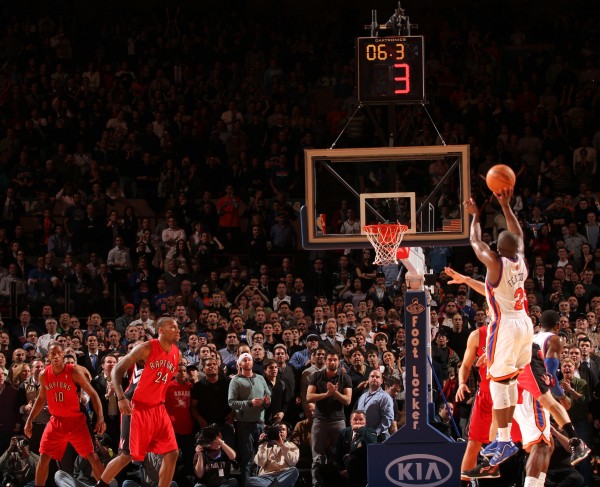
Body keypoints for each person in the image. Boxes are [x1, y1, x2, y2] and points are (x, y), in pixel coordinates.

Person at [464, 188, 533, 467]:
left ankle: (504, 440)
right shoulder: (521, 259)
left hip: (505, 325)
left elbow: (474, 241)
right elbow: (518, 233)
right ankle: (504, 440)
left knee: (497, 382)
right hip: (525, 323)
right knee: (512, 379)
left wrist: (476, 215)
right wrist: (505, 206)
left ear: (498, 248)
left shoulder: (494, 262)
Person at [95, 317, 181, 487]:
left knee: (172, 453)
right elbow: (117, 370)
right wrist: (120, 397)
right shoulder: (147, 348)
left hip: (158, 407)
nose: (178, 330)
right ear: (161, 330)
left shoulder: (176, 353)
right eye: (173, 327)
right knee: (126, 456)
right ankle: (100, 485)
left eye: (178, 327)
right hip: (136, 405)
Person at [23, 341, 106, 486]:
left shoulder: (73, 372)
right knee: (43, 457)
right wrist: (29, 420)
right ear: (48, 355)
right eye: (52, 353)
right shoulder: (44, 375)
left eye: (58, 353)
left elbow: (94, 395)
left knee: (92, 456)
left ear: (62, 354)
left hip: (76, 422)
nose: (55, 356)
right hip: (56, 422)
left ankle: (105, 484)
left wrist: (100, 418)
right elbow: (41, 399)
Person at [306, 351, 352, 487]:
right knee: (318, 457)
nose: (333, 362)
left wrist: (335, 392)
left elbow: (348, 401)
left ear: (339, 362)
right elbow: (309, 397)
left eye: (335, 360)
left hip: (338, 420)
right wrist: (326, 394)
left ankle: (340, 484)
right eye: (330, 360)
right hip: (320, 420)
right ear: (325, 361)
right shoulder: (316, 376)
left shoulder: (345, 378)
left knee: (341, 454)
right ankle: (317, 484)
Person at [228, 352, 271, 486]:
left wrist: (267, 401)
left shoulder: (260, 378)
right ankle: (248, 484)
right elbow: (232, 402)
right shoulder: (236, 380)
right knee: (247, 459)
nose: (247, 362)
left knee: (261, 458)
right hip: (244, 424)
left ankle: (260, 483)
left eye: (249, 360)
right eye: (244, 360)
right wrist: (249, 403)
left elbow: (268, 395)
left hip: (259, 423)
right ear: (239, 364)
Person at [317, 410, 377, 487]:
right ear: (350, 422)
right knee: (324, 469)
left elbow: (372, 443)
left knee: (353, 460)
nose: (358, 422)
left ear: (365, 422)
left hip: (360, 469)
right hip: (344, 468)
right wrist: (341, 469)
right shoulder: (344, 432)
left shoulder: (370, 432)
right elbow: (337, 452)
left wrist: (361, 429)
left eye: (361, 419)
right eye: (355, 419)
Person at [246, 422, 299, 487]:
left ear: (287, 432)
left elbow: (292, 462)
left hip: (283, 476)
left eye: (283, 429)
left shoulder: (292, 446)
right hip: (266, 478)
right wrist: (262, 445)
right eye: (278, 430)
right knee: (249, 481)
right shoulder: (266, 445)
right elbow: (260, 463)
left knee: (294, 471)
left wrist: (282, 445)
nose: (280, 432)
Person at [354, 369, 394, 440]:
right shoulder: (362, 396)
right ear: (368, 379)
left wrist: (375, 432)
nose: (374, 378)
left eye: (377, 377)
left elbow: (388, 418)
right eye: (372, 376)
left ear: (381, 381)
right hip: (362, 435)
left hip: (379, 437)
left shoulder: (385, 397)